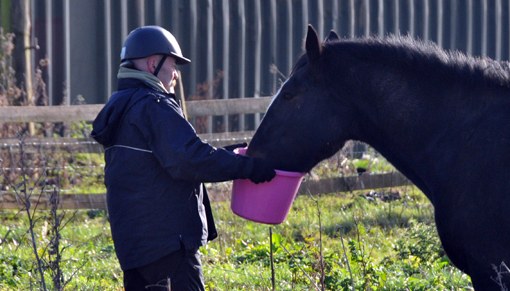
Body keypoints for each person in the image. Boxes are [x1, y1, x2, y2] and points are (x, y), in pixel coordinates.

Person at [91, 26, 276, 291]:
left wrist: (231, 155)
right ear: (153, 63)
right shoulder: (153, 105)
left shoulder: (121, 105)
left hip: (135, 247)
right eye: (173, 64)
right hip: (168, 247)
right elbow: (189, 160)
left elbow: (169, 158)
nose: (176, 74)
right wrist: (249, 167)